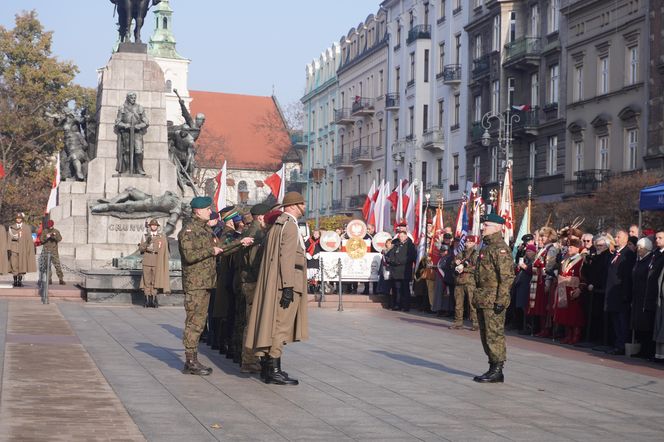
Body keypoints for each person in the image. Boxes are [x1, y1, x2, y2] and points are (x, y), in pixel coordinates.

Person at [245, 192, 309, 385]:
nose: (304, 207)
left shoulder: (280, 224)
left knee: (274, 324)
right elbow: (286, 258)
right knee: (280, 326)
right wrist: (288, 287)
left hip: (278, 282)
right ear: (293, 206)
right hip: (286, 283)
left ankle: (268, 368)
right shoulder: (289, 226)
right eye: (302, 204)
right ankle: (274, 370)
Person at [179, 197, 235, 375]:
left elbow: (219, 249)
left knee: (200, 322)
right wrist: (211, 251)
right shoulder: (189, 230)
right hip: (195, 283)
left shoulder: (205, 229)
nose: (210, 212)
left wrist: (241, 242)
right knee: (194, 322)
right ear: (198, 211)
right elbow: (189, 256)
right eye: (207, 209)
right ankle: (190, 361)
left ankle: (193, 360)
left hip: (205, 282)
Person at [472, 213, 515, 383]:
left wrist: (501, 300)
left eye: (487, 225)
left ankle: (498, 369)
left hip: (494, 299)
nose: (483, 227)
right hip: (484, 298)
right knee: (485, 334)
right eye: (483, 225)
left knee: (494, 334)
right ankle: (492, 366)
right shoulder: (486, 247)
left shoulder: (500, 248)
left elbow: (507, 277)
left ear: (497, 228)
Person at [235, 203, 270, 374]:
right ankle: (249, 360)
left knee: (251, 321)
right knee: (252, 322)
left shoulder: (253, 231)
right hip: (253, 281)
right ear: (262, 217)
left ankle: (250, 358)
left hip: (249, 280)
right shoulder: (256, 233)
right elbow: (254, 259)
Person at [604, 229, 636, 355]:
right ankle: (617, 343)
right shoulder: (616, 253)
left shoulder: (628, 254)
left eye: (618, 236)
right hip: (613, 293)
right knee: (615, 320)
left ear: (625, 239)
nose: (616, 238)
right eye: (615, 236)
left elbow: (627, 276)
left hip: (621, 293)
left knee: (622, 320)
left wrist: (625, 294)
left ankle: (621, 345)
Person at [553, 238, 586, 345]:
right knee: (565, 315)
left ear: (577, 248)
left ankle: (575, 335)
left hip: (573, 290)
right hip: (563, 290)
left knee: (574, 315)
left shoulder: (581, 260)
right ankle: (568, 335)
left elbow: (583, 277)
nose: (569, 249)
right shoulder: (566, 260)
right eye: (568, 247)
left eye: (571, 247)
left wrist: (580, 289)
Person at [528, 227, 560, 337]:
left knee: (544, 306)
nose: (540, 239)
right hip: (537, 280)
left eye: (543, 236)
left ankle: (546, 329)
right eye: (540, 236)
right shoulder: (542, 249)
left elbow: (548, 267)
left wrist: (547, 282)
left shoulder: (551, 249)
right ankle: (540, 328)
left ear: (549, 238)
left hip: (544, 281)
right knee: (538, 306)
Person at [114, 92, 149, 175]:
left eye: (134, 98)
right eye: (132, 97)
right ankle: (127, 169)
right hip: (126, 132)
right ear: (128, 98)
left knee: (138, 151)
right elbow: (118, 122)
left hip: (137, 132)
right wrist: (125, 125)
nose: (133, 99)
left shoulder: (140, 108)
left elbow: (146, 122)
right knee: (127, 150)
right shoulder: (122, 108)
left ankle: (139, 168)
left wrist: (139, 126)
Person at [631, 237, 654, 358]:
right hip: (637, 296)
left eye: (641, 248)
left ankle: (647, 350)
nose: (638, 249)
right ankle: (642, 349)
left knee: (645, 324)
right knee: (638, 324)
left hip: (644, 296)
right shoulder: (639, 260)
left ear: (647, 249)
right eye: (638, 247)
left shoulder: (649, 260)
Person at [138, 219, 170, 308]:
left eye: (155, 225)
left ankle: (154, 298)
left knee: (155, 280)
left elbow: (164, 250)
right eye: (152, 225)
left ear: (157, 227)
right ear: (150, 226)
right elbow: (141, 249)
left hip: (157, 260)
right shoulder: (145, 236)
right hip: (147, 259)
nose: (154, 227)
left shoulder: (161, 236)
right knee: (147, 280)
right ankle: (147, 298)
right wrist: (147, 242)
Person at [450, 235, 479, 330]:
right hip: (459, 281)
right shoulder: (461, 253)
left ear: (474, 243)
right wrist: (455, 263)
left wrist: (464, 269)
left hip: (470, 282)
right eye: (466, 242)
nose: (467, 244)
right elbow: (452, 264)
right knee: (458, 303)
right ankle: (458, 322)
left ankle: (476, 323)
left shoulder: (476, 253)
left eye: (470, 242)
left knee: (472, 304)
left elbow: (477, 267)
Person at [385, 230, 417, 312]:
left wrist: (399, 261)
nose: (401, 238)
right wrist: (392, 260)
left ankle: (406, 306)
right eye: (400, 236)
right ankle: (397, 305)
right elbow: (391, 254)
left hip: (405, 271)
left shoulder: (410, 245)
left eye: (403, 236)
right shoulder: (396, 245)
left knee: (405, 289)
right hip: (396, 271)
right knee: (397, 289)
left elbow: (411, 257)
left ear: (406, 236)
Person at [8, 213, 36, 287]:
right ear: (15, 219)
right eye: (17, 218)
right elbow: (9, 238)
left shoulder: (26, 228)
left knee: (22, 265)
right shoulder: (12, 227)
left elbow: (29, 240)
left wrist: (29, 249)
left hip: (23, 249)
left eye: (20, 218)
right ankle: (15, 281)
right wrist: (8, 248)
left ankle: (19, 281)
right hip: (14, 249)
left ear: (22, 219)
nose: (18, 219)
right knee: (14, 265)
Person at [40, 220, 65, 285]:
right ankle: (49, 279)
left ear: (52, 225)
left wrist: (54, 236)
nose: (49, 227)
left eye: (50, 226)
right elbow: (41, 240)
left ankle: (61, 279)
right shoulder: (44, 231)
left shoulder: (56, 231)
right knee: (47, 266)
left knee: (57, 265)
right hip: (46, 250)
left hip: (54, 251)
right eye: (49, 226)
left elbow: (59, 239)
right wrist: (46, 237)